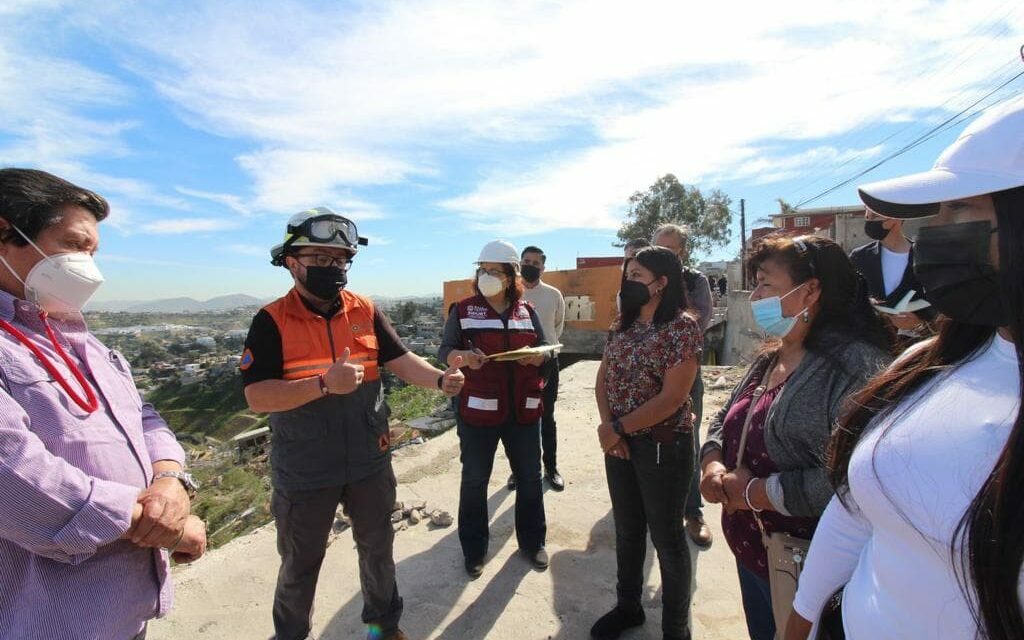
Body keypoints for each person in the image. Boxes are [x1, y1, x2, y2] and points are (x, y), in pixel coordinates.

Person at [788, 98, 1024, 640]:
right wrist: (798, 624)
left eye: (959, 209)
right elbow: (854, 513)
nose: (934, 232)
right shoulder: (928, 363)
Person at [0, 168, 206, 640]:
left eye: (92, 252)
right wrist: (171, 529)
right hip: (46, 623)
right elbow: (19, 480)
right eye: (74, 245)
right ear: (4, 233)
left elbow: (143, 416)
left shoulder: (76, 338)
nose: (87, 267)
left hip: (124, 614)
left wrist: (171, 480)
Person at [241, 207, 465, 640]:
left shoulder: (363, 309)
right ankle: (290, 635)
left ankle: (384, 626)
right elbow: (257, 396)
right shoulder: (271, 321)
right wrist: (323, 384)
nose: (333, 268)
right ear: (292, 261)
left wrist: (440, 380)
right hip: (306, 468)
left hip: (368, 459)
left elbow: (399, 360)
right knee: (300, 562)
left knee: (378, 549)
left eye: (340, 259)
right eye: (320, 259)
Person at [699, 234, 893, 640]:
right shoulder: (773, 356)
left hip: (813, 572)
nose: (755, 296)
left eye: (766, 284)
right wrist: (713, 460)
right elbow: (726, 417)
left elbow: (852, 480)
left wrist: (756, 492)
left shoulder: (856, 369)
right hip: (757, 554)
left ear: (811, 290)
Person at [591, 246, 702, 640]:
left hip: (662, 447)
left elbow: (672, 399)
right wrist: (610, 429)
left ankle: (676, 629)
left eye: (637, 275)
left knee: (668, 539)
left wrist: (618, 427)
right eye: (628, 275)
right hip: (619, 445)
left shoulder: (681, 328)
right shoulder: (621, 324)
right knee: (627, 530)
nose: (628, 283)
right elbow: (604, 378)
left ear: (661, 283)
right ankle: (628, 608)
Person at [439, 240, 551, 578]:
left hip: (524, 411)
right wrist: (462, 359)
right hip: (478, 413)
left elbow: (546, 348)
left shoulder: (526, 312)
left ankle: (533, 543)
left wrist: (540, 354)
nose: (486, 276)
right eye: (482, 270)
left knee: (530, 478)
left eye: (494, 271)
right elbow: (445, 349)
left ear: (511, 275)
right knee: (475, 480)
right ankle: (473, 551)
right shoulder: (463, 309)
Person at [652, 223, 714, 549]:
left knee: (687, 440)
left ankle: (692, 511)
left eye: (669, 250)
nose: (662, 256)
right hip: (645, 377)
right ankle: (655, 506)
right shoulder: (642, 280)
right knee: (648, 439)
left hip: (684, 375)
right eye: (658, 249)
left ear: (681, 252)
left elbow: (697, 323)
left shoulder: (694, 281)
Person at [508, 245, 566, 491]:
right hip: (516, 366)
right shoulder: (510, 293)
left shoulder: (554, 294)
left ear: (543, 267)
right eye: (526, 261)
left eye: (535, 262)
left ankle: (550, 469)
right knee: (515, 418)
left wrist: (543, 353)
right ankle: (517, 471)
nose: (530, 265)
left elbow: (557, 327)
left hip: (546, 363)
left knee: (546, 416)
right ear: (519, 264)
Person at [848, 207, 937, 345]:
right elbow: (849, 298)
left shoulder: (925, 256)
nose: (869, 221)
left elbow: (940, 303)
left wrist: (919, 322)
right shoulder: (860, 256)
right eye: (867, 215)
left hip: (916, 348)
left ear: (895, 218)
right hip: (874, 346)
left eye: (875, 216)